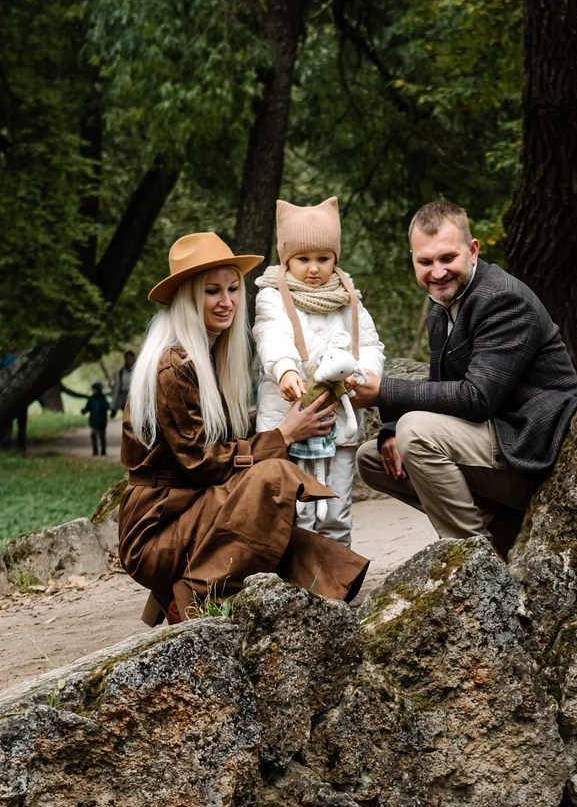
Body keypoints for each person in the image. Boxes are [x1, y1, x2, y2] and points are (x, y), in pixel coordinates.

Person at [118, 231, 368, 624]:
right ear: (187, 298)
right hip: (157, 528)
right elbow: (202, 463)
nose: (227, 301)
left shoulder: (214, 355)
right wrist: (283, 436)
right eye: (212, 291)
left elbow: (227, 446)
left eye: (233, 289)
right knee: (271, 480)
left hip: (196, 509)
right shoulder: (173, 365)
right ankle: (193, 597)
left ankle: (326, 590)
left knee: (302, 549)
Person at [352, 199, 577, 551]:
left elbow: (477, 397)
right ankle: (502, 531)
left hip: (533, 452)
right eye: (425, 262)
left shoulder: (502, 299)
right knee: (374, 460)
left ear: (472, 250)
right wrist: (390, 430)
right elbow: (442, 388)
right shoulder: (443, 309)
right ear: (413, 259)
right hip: (496, 441)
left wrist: (383, 393)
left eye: (446, 258)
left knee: (416, 435)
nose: (437, 272)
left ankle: (471, 558)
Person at [253, 197, 384, 547]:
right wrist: (284, 369)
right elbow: (271, 334)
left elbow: (370, 344)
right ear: (287, 259)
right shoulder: (272, 297)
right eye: (303, 259)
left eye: (323, 259)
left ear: (335, 259)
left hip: (336, 421)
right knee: (297, 508)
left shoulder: (348, 298)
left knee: (336, 504)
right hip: (288, 418)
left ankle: (338, 576)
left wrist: (363, 372)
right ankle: (295, 579)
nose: (314, 269)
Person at [83, 381, 111, 455]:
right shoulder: (91, 399)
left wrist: (107, 407)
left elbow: (107, 406)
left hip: (102, 421)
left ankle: (103, 450)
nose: (94, 391)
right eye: (93, 389)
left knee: (102, 436)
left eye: (95, 389)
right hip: (93, 421)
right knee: (93, 434)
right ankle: (95, 450)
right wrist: (84, 410)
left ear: (99, 390)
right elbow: (88, 407)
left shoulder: (103, 399)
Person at [110, 350, 136, 417]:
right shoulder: (121, 373)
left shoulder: (140, 370)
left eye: (130, 358)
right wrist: (113, 407)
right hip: (125, 401)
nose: (129, 360)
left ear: (134, 358)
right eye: (127, 358)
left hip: (137, 400)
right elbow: (117, 389)